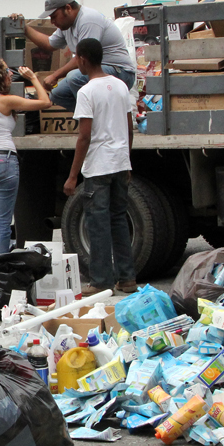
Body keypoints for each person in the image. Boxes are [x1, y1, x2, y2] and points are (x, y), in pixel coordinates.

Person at [64, 38, 138, 296]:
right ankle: (127, 279)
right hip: (119, 163)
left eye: (76, 59)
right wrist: (127, 161)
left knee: (98, 224)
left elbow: (84, 136)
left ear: (83, 59)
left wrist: (73, 176)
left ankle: (101, 281)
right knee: (118, 220)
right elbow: (129, 128)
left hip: (98, 167)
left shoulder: (86, 91)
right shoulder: (120, 86)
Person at [0, 58, 51, 254]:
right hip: (2, 160)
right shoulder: (5, 100)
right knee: (3, 221)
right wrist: (32, 78)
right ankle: (0, 267)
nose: (11, 74)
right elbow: (45, 102)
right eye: (7, 70)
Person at [11, 0, 136, 112]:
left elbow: (85, 57)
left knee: (75, 77)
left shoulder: (88, 19)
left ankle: (94, 118)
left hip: (120, 72)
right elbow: (49, 44)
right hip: (97, 71)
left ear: (68, 8)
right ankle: (98, 116)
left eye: (54, 16)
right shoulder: (67, 25)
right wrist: (24, 27)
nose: (53, 21)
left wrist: (55, 76)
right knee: (58, 94)